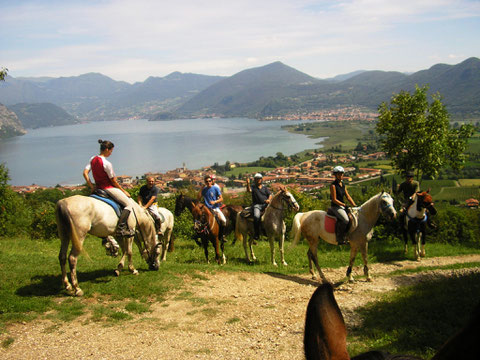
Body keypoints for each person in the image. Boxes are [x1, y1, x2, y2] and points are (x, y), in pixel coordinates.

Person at [83, 139, 135, 237]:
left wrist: (92, 186)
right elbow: (113, 181)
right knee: (128, 205)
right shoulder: (107, 163)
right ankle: (121, 228)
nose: (111, 153)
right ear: (107, 149)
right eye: (111, 151)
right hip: (108, 188)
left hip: (97, 188)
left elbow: (85, 173)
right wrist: (124, 191)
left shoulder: (93, 158)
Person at [330, 166, 356, 245]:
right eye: (338, 174)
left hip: (343, 206)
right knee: (346, 220)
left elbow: (348, 196)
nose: (340, 176)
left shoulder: (343, 184)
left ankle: (348, 235)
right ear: (335, 175)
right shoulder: (333, 186)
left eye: (341, 174)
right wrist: (344, 205)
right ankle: (340, 238)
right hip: (336, 207)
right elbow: (334, 199)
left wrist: (355, 205)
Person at [198, 175, 227, 241]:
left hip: (215, 208)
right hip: (206, 208)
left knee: (224, 220)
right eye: (206, 181)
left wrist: (215, 202)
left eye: (209, 181)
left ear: (211, 181)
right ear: (205, 182)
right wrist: (201, 188)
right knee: (198, 220)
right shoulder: (204, 189)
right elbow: (198, 198)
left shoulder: (215, 188)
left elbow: (221, 198)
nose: (208, 182)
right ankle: (199, 235)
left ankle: (222, 235)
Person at [246, 173, 272, 240]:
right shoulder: (253, 187)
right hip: (257, 205)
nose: (258, 180)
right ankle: (256, 233)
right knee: (256, 216)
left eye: (259, 179)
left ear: (261, 179)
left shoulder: (265, 188)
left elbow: (270, 195)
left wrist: (269, 199)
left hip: (266, 205)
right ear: (254, 180)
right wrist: (248, 183)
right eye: (256, 179)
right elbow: (249, 190)